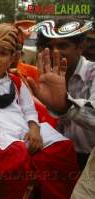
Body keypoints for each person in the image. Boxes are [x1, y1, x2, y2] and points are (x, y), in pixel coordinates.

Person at [0, 23, 79, 199]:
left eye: (3, 53)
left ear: (12, 57)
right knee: (17, 155)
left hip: (23, 128)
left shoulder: (17, 81)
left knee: (63, 147)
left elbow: (29, 110)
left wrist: (34, 129)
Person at [28, 19, 95, 171]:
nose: (55, 52)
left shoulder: (93, 73)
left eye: (63, 45)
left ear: (80, 47)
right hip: (55, 156)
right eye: (49, 46)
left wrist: (65, 106)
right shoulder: (41, 77)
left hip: (90, 161)